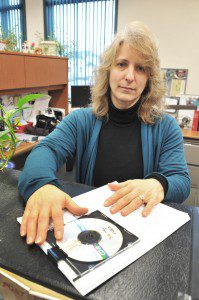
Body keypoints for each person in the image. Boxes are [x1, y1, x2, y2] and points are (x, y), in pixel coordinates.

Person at [18, 21, 190, 246]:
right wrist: (43, 185)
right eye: (122, 64)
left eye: (140, 68)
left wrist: (158, 184)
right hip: (92, 231)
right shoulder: (81, 120)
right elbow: (46, 150)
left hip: (143, 234)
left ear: (149, 79)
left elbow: (181, 180)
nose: (130, 76)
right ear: (108, 71)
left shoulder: (166, 127)